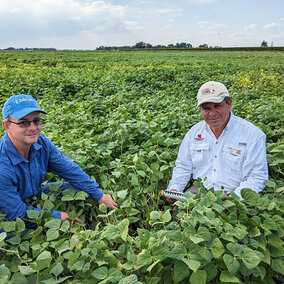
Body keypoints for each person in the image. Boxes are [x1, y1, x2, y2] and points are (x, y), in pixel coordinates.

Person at [0, 94, 117, 228]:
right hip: (7, 212)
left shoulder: (42, 143)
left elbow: (70, 170)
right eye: (23, 122)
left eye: (36, 120)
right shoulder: (2, 165)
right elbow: (17, 214)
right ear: (7, 126)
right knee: (17, 233)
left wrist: (99, 195)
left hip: (35, 195)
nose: (33, 128)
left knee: (80, 189)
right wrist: (58, 216)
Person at [167, 81, 268, 203]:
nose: (212, 113)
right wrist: (174, 189)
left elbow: (257, 177)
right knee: (178, 214)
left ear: (229, 104)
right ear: (200, 110)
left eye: (217, 106)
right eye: (206, 108)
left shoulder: (252, 134)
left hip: (235, 193)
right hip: (200, 191)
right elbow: (183, 166)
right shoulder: (194, 133)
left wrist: (233, 199)